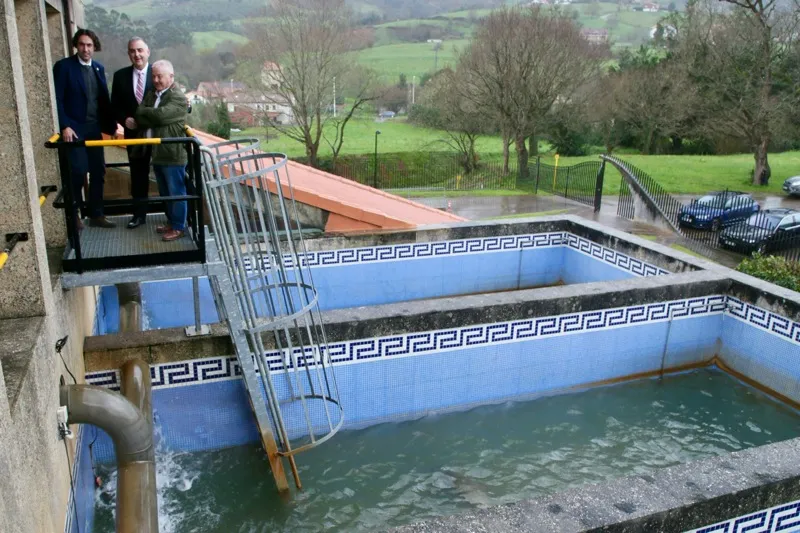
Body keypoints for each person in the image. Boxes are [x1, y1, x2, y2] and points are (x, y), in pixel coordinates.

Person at [52, 29, 117, 228]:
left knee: (98, 171)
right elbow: (58, 99)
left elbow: (103, 101)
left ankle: (97, 215)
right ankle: (75, 215)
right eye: (82, 44)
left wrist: (112, 127)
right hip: (74, 129)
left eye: (89, 45)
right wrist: (65, 125)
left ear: (94, 47)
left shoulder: (98, 68)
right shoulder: (64, 67)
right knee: (78, 171)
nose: (86, 49)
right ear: (76, 45)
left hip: (94, 128)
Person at [135, 60, 189, 242]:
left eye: (160, 76)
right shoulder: (152, 94)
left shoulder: (178, 98)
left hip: (172, 154)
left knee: (176, 192)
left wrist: (146, 112)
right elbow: (139, 116)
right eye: (154, 76)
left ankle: (179, 227)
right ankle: (171, 222)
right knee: (165, 192)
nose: (156, 80)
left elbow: (161, 115)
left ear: (171, 77)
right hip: (157, 153)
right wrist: (149, 114)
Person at [111, 37, 153, 229]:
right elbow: (115, 106)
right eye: (132, 51)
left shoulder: (158, 73)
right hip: (134, 136)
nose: (136, 54)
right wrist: (123, 119)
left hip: (157, 135)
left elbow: (173, 98)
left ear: (147, 52)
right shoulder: (120, 76)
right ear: (128, 54)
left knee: (164, 174)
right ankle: (139, 216)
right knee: (138, 175)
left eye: (139, 50)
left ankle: (173, 218)